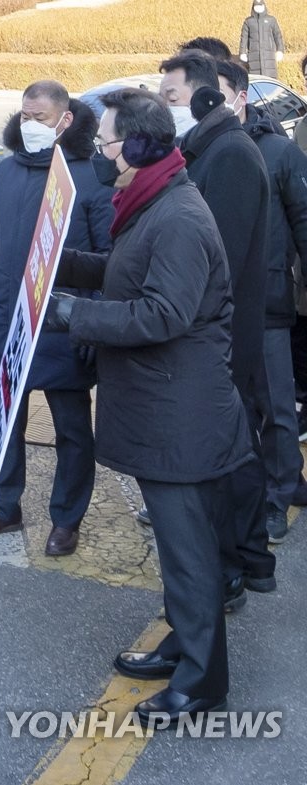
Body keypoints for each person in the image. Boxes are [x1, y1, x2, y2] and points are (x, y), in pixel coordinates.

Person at [45, 87, 253, 726]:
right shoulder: (152, 201)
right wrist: (62, 264)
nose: (102, 155)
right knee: (176, 550)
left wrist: (76, 314)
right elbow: (126, 272)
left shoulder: (180, 217)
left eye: (107, 142)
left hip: (181, 419)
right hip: (164, 410)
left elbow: (163, 313)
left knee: (191, 557)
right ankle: (181, 646)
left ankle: (203, 684)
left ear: (137, 146)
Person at [0, 80, 113, 557]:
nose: (30, 126)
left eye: (41, 119)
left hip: (63, 324)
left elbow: (109, 258)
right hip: (7, 318)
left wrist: (94, 321)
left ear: (65, 121)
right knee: (5, 421)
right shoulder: (5, 173)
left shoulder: (88, 177)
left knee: (71, 428)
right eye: (25, 117)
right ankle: (5, 506)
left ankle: (66, 518)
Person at [157, 49, 273, 609]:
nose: (165, 108)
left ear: (205, 97)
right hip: (214, 337)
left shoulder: (227, 156)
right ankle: (229, 562)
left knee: (226, 459)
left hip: (220, 340)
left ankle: (233, 566)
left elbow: (213, 263)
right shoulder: (204, 148)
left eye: (172, 98)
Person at [216, 57, 307, 546]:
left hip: (268, 301)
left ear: (240, 97)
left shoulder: (279, 153)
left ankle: (279, 496)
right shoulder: (193, 153)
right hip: (213, 307)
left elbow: (305, 221)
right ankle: (236, 496)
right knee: (229, 408)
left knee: (275, 407)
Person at [239, 2, 285, 79]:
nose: (258, 8)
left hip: (269, 55)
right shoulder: (248, 21)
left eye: (260, 5)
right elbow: (244, 38)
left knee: (271, 80)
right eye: (256, 6)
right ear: (253, 7)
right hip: (254, 56)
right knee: (257, 79)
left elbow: (278, 36)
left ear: (264, 6)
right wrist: (242, 52)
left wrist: (280, 50)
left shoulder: (271, 20)